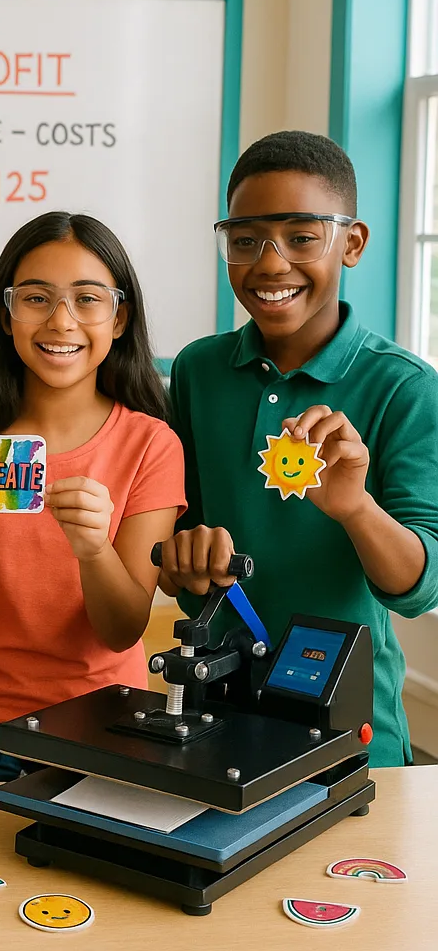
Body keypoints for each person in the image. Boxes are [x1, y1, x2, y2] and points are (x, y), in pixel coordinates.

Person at [158, 130, 438, 767]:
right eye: (245, 238)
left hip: (352, 724)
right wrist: (185, 562)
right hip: (216, 710)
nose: (270, 262)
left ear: (353, 243)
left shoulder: (405, 386)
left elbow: (419, 588)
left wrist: (355, 509)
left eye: (302, 237)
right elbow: (186, 539)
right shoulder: (199, 370)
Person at [0, 211, 186, 784]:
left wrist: (94, 551)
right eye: (37, 298)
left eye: (88, 299)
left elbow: (123, 629)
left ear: (119, 317)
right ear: (6, 315)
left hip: (104, 726)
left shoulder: (151, 444)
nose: (62, 322)